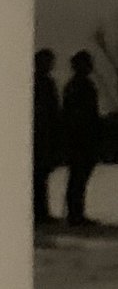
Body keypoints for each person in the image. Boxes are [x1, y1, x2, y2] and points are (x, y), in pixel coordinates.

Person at [62, 50, 102, 227]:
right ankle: (75, 214)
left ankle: (77, 212)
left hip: (83, 137)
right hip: (79, 138)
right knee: (78, 177)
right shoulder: (78, 86)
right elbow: (79, 115)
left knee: (79, 177)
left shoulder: (79, 85)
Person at [32, 48, 62, 226]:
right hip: (41, 136)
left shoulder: (47, 83)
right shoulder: (40, 83)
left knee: (41, 176)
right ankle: (39, 213)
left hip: (46, 135)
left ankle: (42, 211)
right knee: (38, 176)